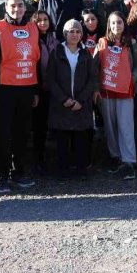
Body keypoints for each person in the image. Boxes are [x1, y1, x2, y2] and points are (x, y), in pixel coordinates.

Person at [0, 0, 41, 193]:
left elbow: (36, 61)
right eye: (13, 6)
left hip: (26, 88)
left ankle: (19, 172)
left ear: (25, 8)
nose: (17, 9)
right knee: (2, 135)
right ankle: (1, 175)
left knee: (22, 134)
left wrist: (35, 91)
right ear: (6, 7)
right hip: (3, 90)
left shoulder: (32, 28)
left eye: (20, 5)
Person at [47, 19, 97, 178]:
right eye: (71, 31)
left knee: (81, 138)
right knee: (63, 138)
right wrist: (64, 99)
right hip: (62, 103)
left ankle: (81, 168)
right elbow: (50, 79)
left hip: (81, 104)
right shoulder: (56, 52)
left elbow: (92, 79)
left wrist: (81, 100)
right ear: (65, 33)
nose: (74, 34)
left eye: (77, 31)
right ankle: (63, 169)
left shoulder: (86, 53)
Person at [94, 12, 137, 180]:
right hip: (106, 91)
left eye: (119, 22)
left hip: (125, 91)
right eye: (113, 23)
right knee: (111, 127)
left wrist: (130, 80)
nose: (116, 26)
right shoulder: (102, 43)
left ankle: (128, 161)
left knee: (125, 126)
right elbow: (95, 66)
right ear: (108, 25)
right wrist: (95, 87)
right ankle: (115, 157)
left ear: (124, 24)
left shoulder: (131, 43)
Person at [31, 9, 59, 173]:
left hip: (53, 88)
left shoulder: (54, 41)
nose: (42, 23)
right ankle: (38, 159)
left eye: (45, 20)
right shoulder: (31, 40)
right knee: (38, 126)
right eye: (39, 20)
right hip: (37, 88)